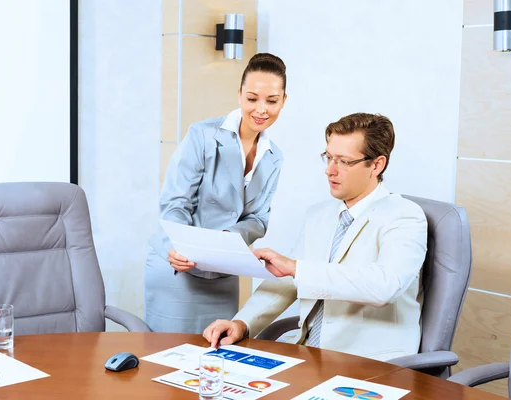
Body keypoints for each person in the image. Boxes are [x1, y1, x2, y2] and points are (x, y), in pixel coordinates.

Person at [202, 113, 428, 362]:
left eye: (344, 161)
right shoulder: (319, 215)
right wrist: (242, 323)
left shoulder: (405, 216)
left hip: (368, 362)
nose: (330, 170)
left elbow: (385, 286)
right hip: (308, 353)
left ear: (377, 165)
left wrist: (296, 268)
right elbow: (287, 280)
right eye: (329, 157)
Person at [144, 53, 288, 333]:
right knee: (168, 359)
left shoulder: (274, 157)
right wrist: (179, 246)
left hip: (223, 272)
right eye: (252, 98)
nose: (261, 109)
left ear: (283, 101)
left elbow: (258, 218)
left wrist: (228, 239)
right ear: (239, 95)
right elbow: (176, 202)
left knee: (218, 356)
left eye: (271, 101)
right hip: (178, 266)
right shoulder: (202, 135)